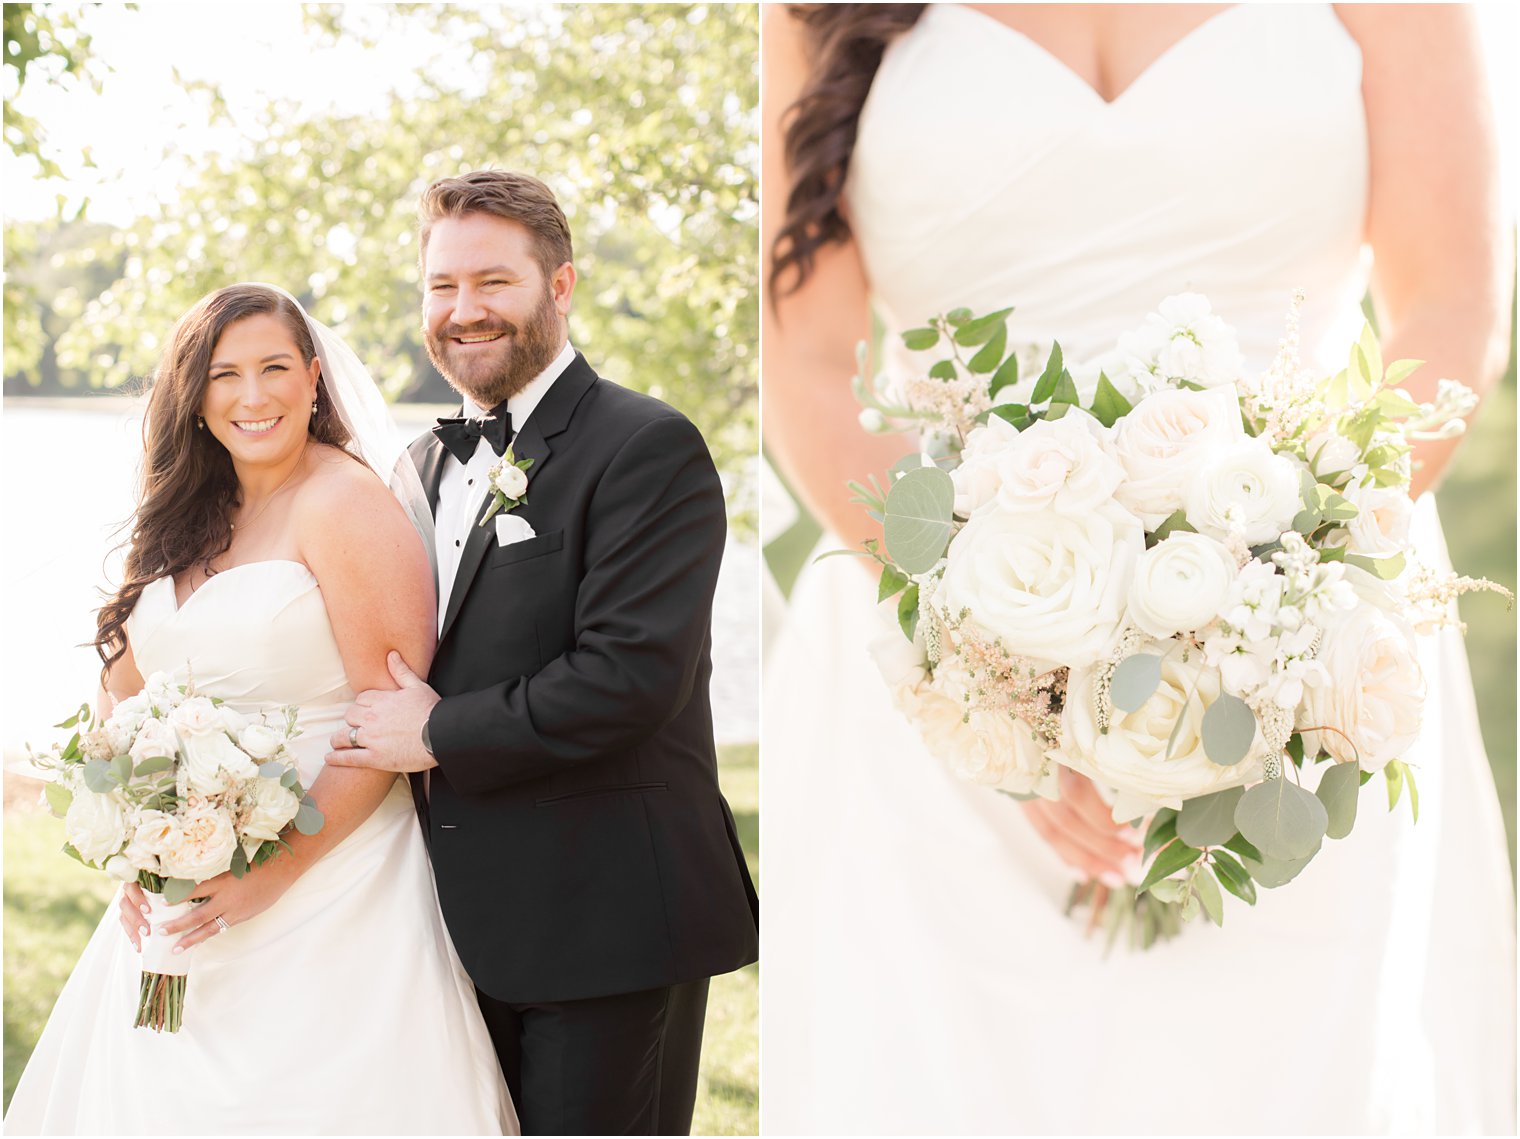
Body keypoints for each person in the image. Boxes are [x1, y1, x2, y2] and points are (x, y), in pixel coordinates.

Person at [761, 4, 1514, 1134]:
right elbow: (807, 360)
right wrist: (984, 660)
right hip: (934, 659)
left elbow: (1448, 304)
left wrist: (1278, 587)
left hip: (1308, 658)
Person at [5, 284, 517, 1134]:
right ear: (195, 398)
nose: (252, 396)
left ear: (314, 378)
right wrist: (133, 850)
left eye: (274, 368)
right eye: (224, 374)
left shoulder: (348, 505)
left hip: (334, 884)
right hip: (181, 894)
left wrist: (268, 874)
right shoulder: (182, 516)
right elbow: (120, 701)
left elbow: (386, 722)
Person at [322, 169, 759, 1136]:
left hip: (607, 923)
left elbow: (629, 678)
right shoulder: (421, 467)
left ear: (559, 287)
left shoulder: (649, 446)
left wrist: (437, 732)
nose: (463, 311)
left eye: (493, 283)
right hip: (448, 928)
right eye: (442, 287)